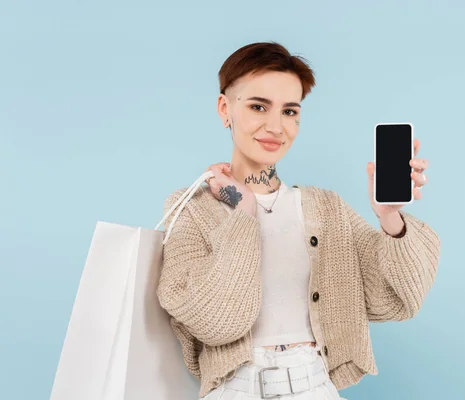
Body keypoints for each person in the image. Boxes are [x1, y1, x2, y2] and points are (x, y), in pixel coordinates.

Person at [157, 41, 441, 400]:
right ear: (224, 108)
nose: (275, 126)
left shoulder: (326, 209)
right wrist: (243, 210)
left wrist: (390, 218)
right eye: (258, 106)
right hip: (235, 389)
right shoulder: (191, 209)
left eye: (290, 111)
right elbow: (215, 321)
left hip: (313, 386)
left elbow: (398, 298)